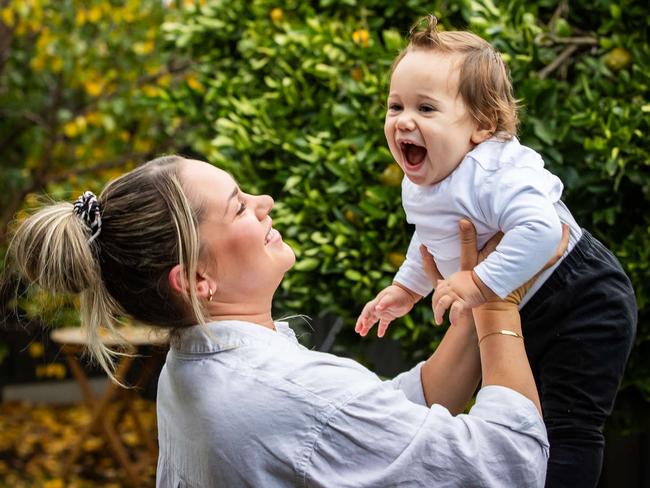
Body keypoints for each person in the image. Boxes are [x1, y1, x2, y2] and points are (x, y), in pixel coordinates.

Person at [8, 155, 564, 486]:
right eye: (239, 207)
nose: (266, 200)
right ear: (197, 279)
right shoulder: (290, 393)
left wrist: (475, 295)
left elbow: (373, 423)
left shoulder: (192, 367)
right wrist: (496, 305)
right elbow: (509, 465)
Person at [355, 15, 637, 488]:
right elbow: (430, 233)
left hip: (581, 293)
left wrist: (478, 282)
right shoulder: (426, 177)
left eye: (426, 108)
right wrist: (408, 286)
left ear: (482, 126)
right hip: (524, 300)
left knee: (567, 423)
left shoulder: (494, 172)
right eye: (395, 106)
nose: (403, 120)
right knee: (523, 413)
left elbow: (543, 230)